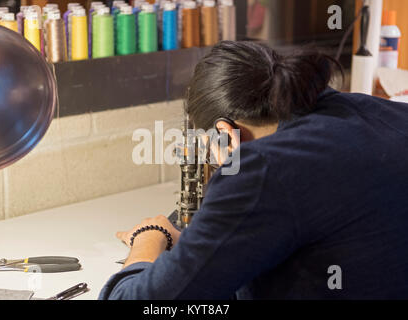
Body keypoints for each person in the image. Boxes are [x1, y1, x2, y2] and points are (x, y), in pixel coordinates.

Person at [99, 41, 408, 299]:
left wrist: (149, 237)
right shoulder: (389, 113)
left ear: (223, 132)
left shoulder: (261, 170)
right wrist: (212, 245)